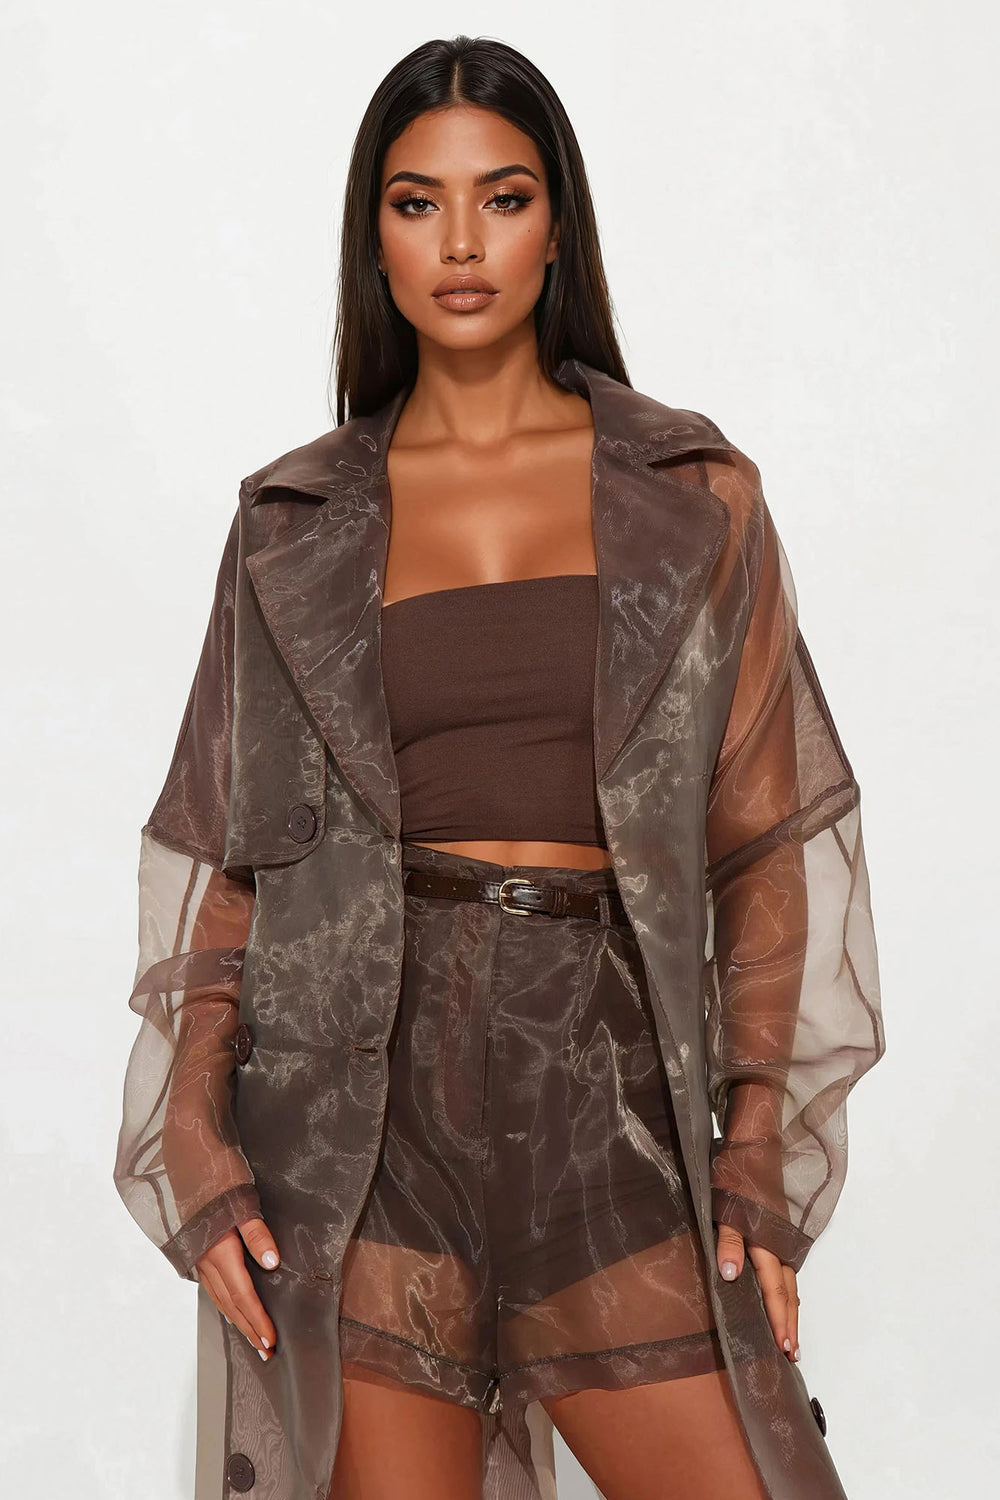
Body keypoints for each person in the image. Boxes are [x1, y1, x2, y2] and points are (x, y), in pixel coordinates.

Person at [113, 33, 885, 1500]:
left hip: (609, 1098)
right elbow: (233, 853)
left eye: (503, 197)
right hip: (363, 1126)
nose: (461, 243)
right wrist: (197, 1125)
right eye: (418, 203)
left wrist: (755, 1151)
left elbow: (765, 836)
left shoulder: (692, 495)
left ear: (558, 228)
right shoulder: (290, 525)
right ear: (375, 240)